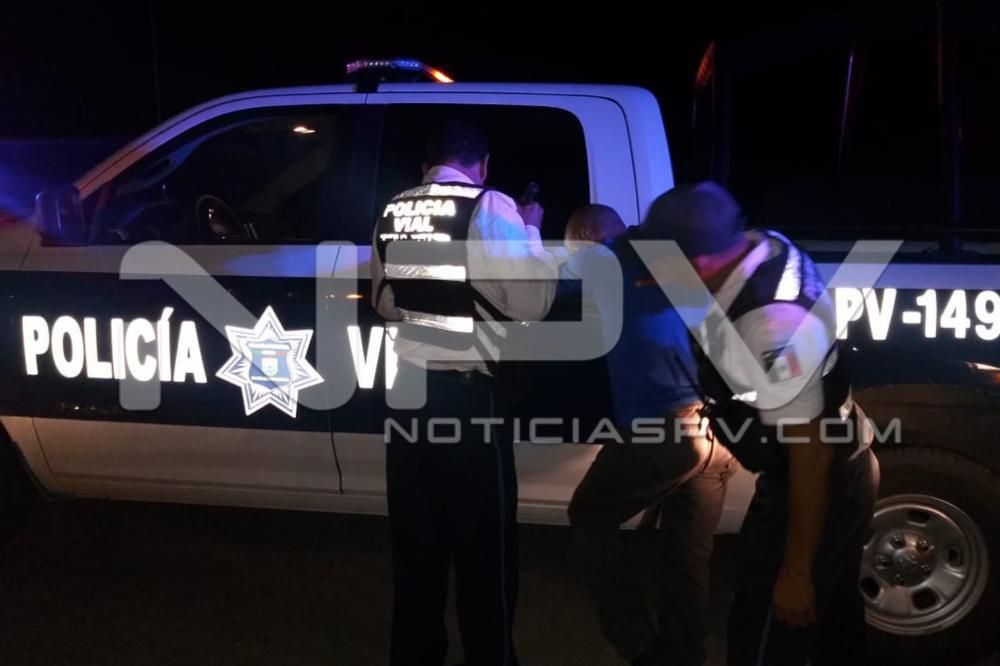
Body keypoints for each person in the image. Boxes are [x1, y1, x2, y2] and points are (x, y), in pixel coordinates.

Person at [644, 182, 879, 666]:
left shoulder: (773, 325)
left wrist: (795, 572)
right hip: (833, 463)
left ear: (699, 264)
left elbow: (811, 452)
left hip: (821, 481)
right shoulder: (758, 245)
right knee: (836, 631)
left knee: (766, 635)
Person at [370, 118, 557, 666]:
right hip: (469, 403)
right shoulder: (491, 205)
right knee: (484, 555)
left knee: (415, 550)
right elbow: (532, 303)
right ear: (484, 165)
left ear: (425, 164)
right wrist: (531, 232)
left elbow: (385, 304)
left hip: (408, 398)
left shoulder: (394, 208)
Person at [561, 204, 735, 666]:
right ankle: (685, 652)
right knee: (687, 554)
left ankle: (638, 645)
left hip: (661, 431)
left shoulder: (605, 258)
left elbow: (536, 290)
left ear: (589, 236)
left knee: (589, 516)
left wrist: (527, 228)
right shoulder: (674, 253)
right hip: (718, 431)